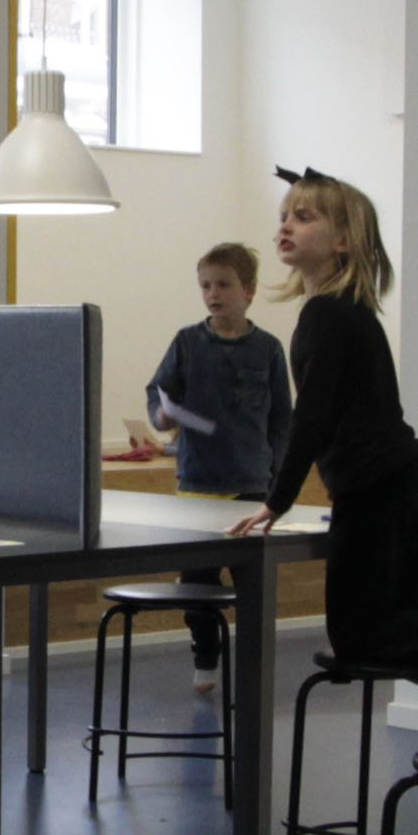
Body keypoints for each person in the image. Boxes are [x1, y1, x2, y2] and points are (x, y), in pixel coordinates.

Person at [238, 171, 418, 682]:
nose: (285, 226)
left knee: (360, 636)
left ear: (345, 240)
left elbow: (313, 416)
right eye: (284, 215)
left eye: (303, 217)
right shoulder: (342, 310)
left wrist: (277, 499)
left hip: (381, 495)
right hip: (397, 489)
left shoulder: (328, 314)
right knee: (381, 623)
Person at [145, 239, 289, 699]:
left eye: (224, 285)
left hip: (250, 485)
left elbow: (282, 420)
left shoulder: (268, 349)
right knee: (198, 587)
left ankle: (252, 664)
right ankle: (205, 659)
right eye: (206, 285)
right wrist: (161, 417)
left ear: (247, 290)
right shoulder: (188, 342)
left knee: (251, 584)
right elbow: (158, 395)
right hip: (197, 485)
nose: (213, 294)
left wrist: (278, 487)